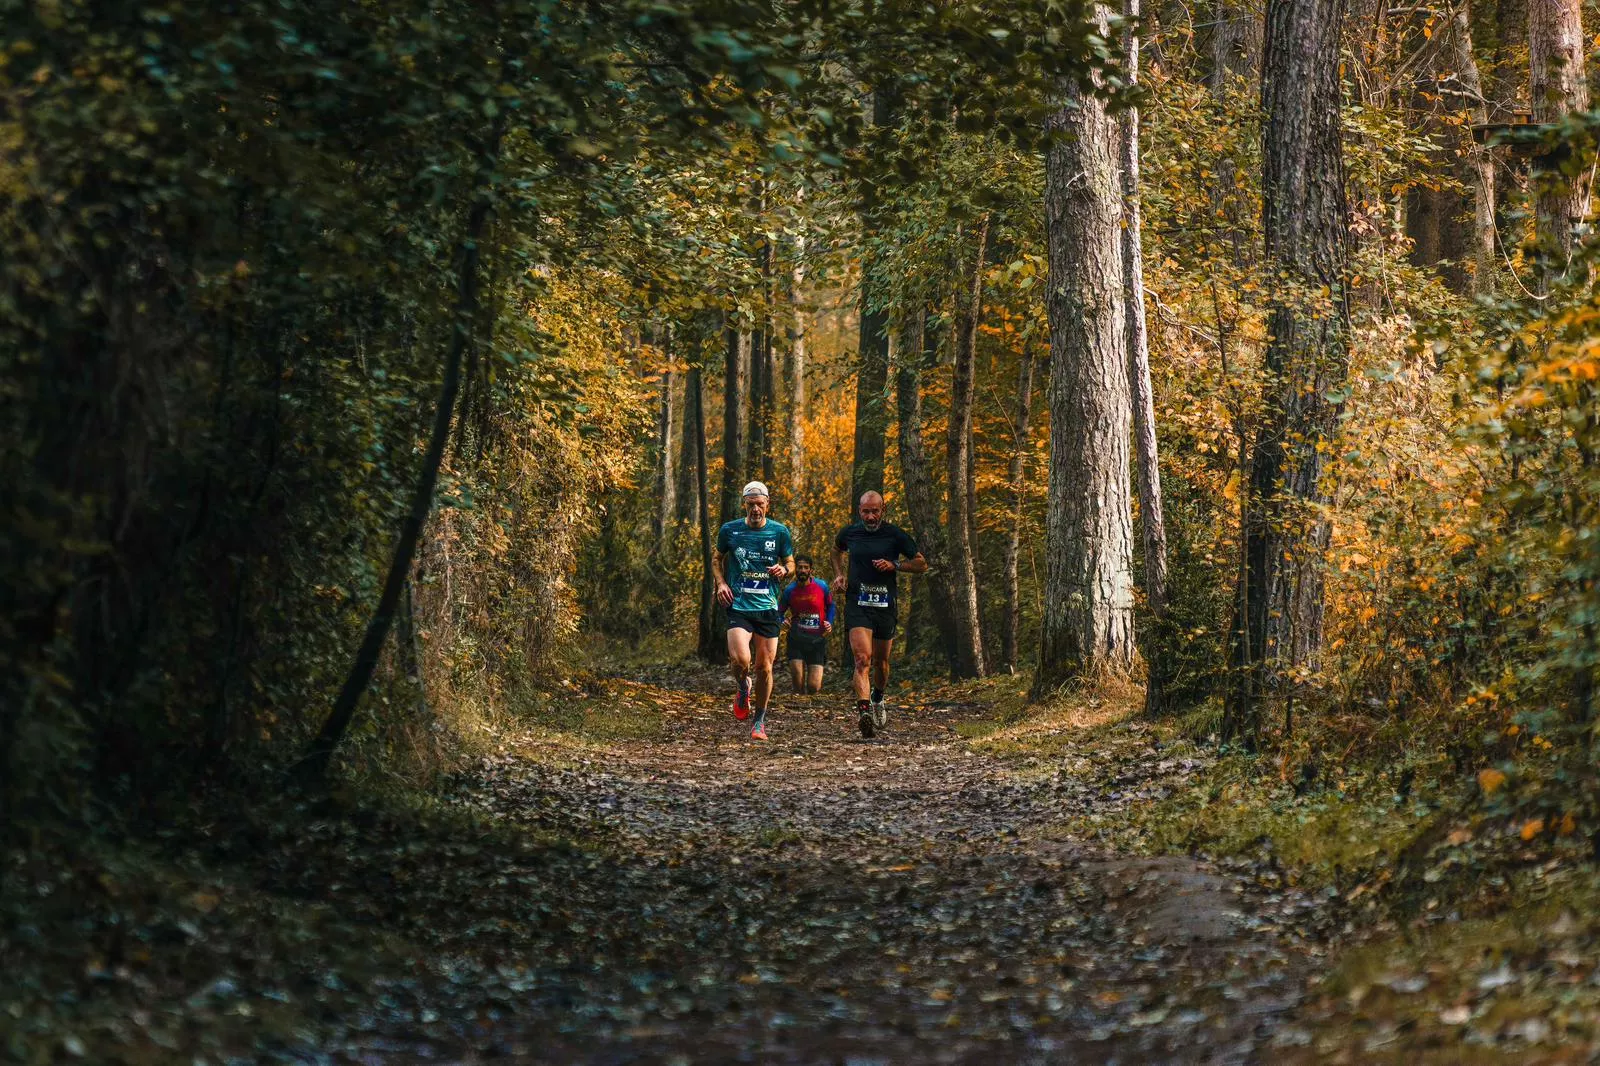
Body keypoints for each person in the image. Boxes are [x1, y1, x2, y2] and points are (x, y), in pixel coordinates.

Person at [832, 491, 927, 737]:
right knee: (862, 659)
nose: (871, 516)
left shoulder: (895, 535)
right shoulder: (850, 533)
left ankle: (877, 697)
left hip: (885, 606)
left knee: (881, 663)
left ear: (883, 510)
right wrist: (839, 575)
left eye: (875, 511)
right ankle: (864, 713)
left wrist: (895, 565)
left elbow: (921, 564)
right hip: (858, 603)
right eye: (866, 511)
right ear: (859, 511)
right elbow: (836, 550)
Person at [714, 481, 794, 740]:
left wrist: (785, 569)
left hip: (767, 608)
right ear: (744, 505)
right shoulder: (730, 530)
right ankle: (742, 685)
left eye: (760, 504)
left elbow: (790, 562)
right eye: (751, 504)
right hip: (739, 605)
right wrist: (721, 583)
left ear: (767, 504)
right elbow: (717, 558)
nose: (756, 509)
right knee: (740, 661)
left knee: (764, 667)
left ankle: (759, 722)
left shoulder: (779, 532)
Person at [779, 555, 834, 695]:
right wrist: (782, 621)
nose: (803, 570)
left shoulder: (822, 586)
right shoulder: (789, 590)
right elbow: (779, 612)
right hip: (796, 639)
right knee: (798, 687)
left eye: (806, 567)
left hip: (817, 640)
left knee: (813, 687)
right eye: (800, 567)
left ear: (811, 570)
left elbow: (831, 605)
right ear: (796, 569)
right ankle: (798, 707)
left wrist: (829, 622)